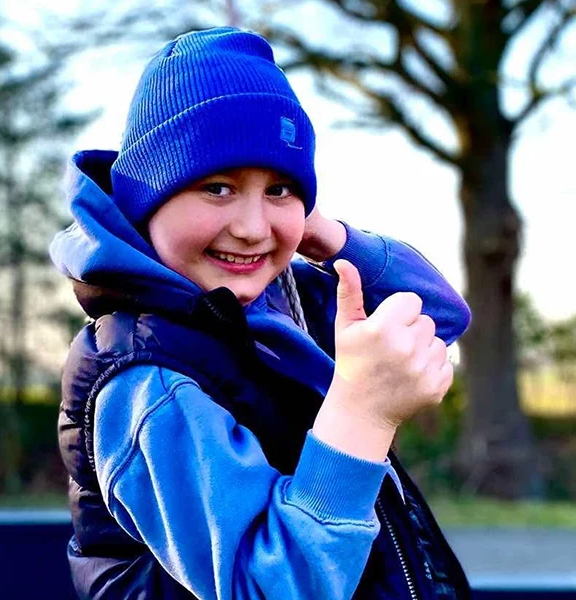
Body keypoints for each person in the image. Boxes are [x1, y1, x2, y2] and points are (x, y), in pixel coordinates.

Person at [50, 26, 472, 600]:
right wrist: (363, 415)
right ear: (146, 200)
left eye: (278, 190)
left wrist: (328, 237)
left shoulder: (274, 299)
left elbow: (435, 318)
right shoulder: (148, 375)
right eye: (217, 188)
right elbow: (267, 588)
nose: (252, 228)